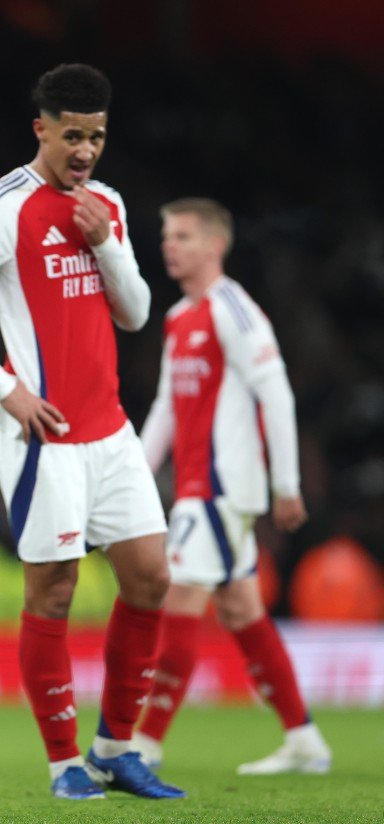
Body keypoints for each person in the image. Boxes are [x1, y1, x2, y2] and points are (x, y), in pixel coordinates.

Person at [0, 63, 183, 800]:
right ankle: (65, 764)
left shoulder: (106, 205)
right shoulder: (2, 206)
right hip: (43, 437)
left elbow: (135, 314)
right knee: (54, 590)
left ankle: (115, 749)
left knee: (151, 578)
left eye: (97, 136)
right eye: (72, 136)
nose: (85, 150)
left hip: (110, 430)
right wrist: (7, 390)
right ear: (42, 129)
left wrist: (107, 243)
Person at [132, 198, 331, 774]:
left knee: (179, 602)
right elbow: (167, 406)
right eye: (168, 236)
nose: (170, 246)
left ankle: (145, 743)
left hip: (220, 490)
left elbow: (277, 395)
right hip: (198, 487)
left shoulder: (234, 310)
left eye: (183, 236)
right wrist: (135, 477)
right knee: (243, 612)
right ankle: (303, 738)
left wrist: (286, 485)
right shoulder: (178, 318)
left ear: (216, 245)